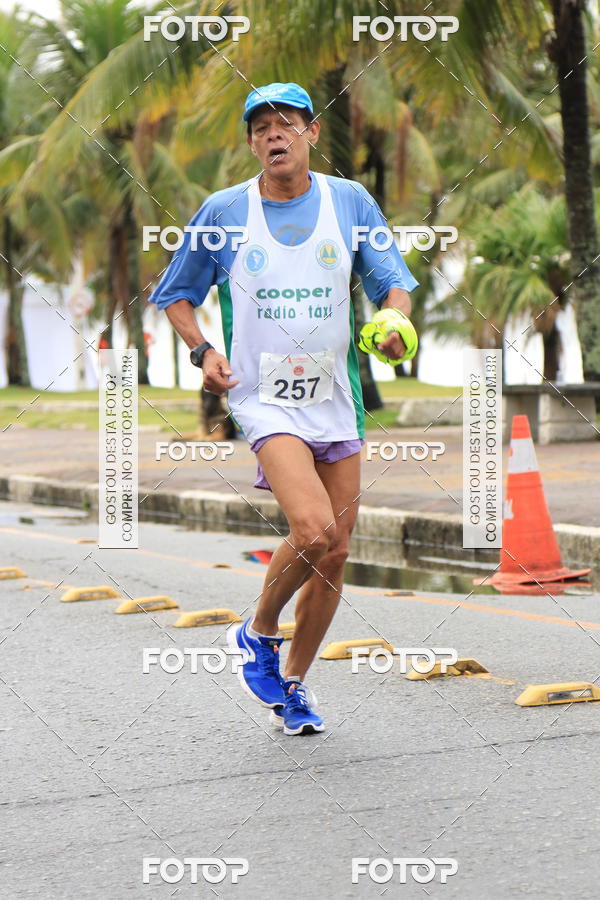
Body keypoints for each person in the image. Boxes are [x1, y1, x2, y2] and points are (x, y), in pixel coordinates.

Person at [149, 82, 419, 735]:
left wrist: (390, 325)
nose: (274, 135)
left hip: (336, 396)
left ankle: (292, 684)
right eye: (261, 128)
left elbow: (394, 286)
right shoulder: (224, 211)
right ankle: (258, 629)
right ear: (251, 143)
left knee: (336, 550)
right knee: (313, 530)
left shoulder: (348, 201)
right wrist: (201, 350)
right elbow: (175, 295)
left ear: (312, 133)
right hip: (263, 396)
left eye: (286, 124)